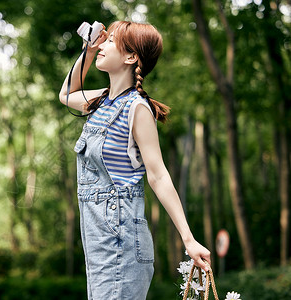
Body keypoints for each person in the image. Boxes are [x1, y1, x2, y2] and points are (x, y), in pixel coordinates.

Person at [58, 21, 211, 300]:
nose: (103, 43)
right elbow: (66, 94)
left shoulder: (137, 107)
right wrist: (90, 51)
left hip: (121, 240)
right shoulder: (102, 101)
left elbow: (159, 175)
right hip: (99, 240)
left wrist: (188, 240)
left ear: (130, 57)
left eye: (110, 41)